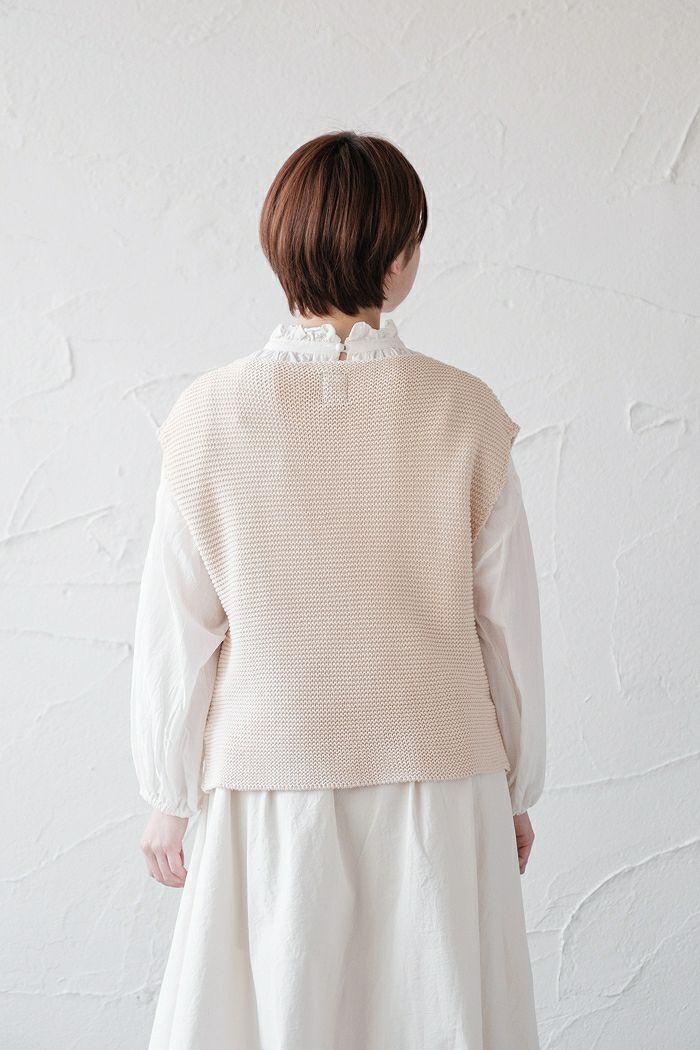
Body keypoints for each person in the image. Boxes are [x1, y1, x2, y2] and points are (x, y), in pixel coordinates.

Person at [130, 130, 546, 1050]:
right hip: (443, 780)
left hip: (268, 784)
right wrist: (517, 782)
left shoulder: (207, 417)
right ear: (398, 257)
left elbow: (177, 627)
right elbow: (507, 630)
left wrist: (167, 791)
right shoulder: (467, 412)